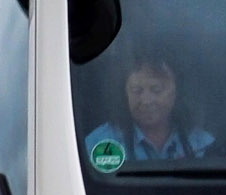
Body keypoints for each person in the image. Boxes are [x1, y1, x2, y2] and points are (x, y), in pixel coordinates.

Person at [80, 52, 215, 172]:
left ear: (176, 93)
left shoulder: (202, 144)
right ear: (125, 94)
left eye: (156, 90)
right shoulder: (99, 143)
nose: (146, 100)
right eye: (137, 90)